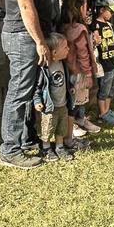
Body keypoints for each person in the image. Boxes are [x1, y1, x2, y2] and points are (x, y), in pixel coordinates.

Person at [0, 0, 60, 170]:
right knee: (19, 93)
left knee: (27, 91)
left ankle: (25, 140)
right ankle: (9, 150)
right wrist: (39, 41)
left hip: (31, 35)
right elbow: (25, 6)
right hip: (22, 36)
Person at [59, 0, 99, 140]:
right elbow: (83, 54)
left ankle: (80, 121)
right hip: (79, 72)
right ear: (79, 8)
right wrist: (88, 74)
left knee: (73, 98)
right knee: (78, 99)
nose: (87, 9)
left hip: (67, 70)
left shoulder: (61, 26)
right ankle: (76, 123)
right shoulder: (79, 30)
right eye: (85, 6)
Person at [32, 33, 75, 163]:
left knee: (61, 127)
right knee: (47, 127)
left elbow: (66, 81)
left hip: (63, 104)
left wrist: (70, 88)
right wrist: (38, 101)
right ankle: (46, 148)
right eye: (65, 47)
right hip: (49, 106)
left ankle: (59, 146)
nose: (68, 49)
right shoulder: (45, 69)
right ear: (55, 52)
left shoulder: (63, 65)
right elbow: (38, 87)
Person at [93, 0, 114, 125]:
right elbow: (93, 45)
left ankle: (107, 110)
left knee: (111, 90)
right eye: (110, 11)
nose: (113, 14)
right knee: (104, 91)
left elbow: (113, 42)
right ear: (102, 10)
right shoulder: (95, 26)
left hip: (112, 63)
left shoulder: (109, 25)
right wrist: (95, 41)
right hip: (104, 65)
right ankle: (102, 114)